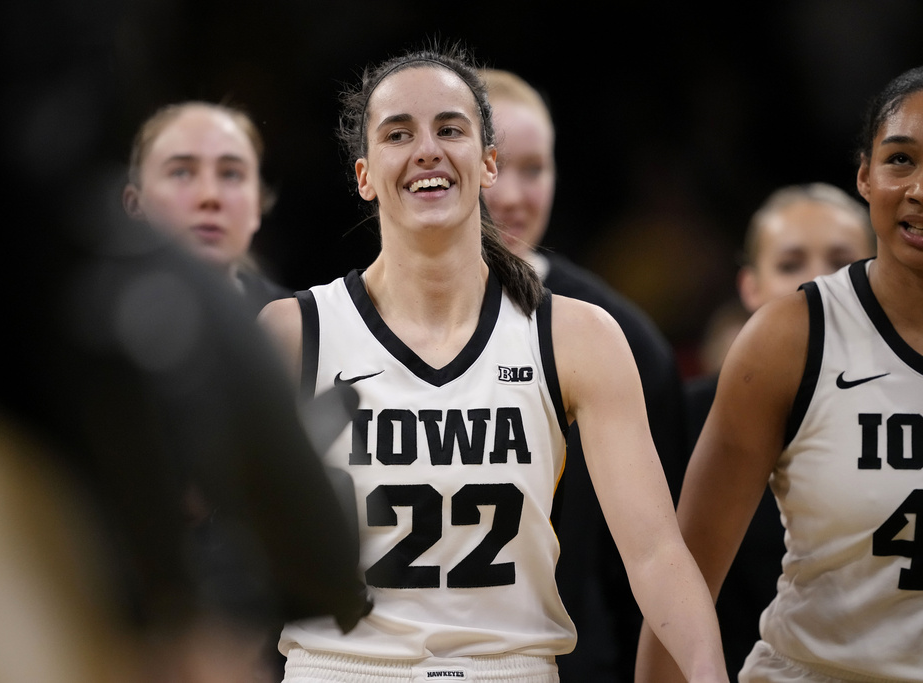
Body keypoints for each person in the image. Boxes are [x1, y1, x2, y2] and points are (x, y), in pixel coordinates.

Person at [258, 43, 727, 683]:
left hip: (509, 668)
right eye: (399, 133)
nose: (427, 149)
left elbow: (654, 554)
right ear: (365, 175)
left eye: (450, 129)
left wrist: (707, 671)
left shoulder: (577, 334)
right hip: (342, 667)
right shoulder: (294, 333)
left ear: (487, 163)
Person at [635, 65, 923, 683]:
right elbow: (685, 576)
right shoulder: (791, 336)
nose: (919, 186)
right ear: (866, 178)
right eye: (901, 159)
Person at [479, 67, 688, 682]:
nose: (514, 195)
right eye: (497, 166)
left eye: (535, 169)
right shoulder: (348, 324)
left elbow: (663, 555)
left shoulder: (623, 338)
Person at [682, 182, 875, 681]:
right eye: (791, 264)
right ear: (749, 287)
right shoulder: (686, 418)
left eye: (840, 260)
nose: (817, 282)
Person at [123, 101, 291, 310]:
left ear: (257, 206)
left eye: (231, 174)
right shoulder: (83, 325)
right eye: (181, 172)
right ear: (135, 205)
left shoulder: (296, 331)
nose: (210, 196)